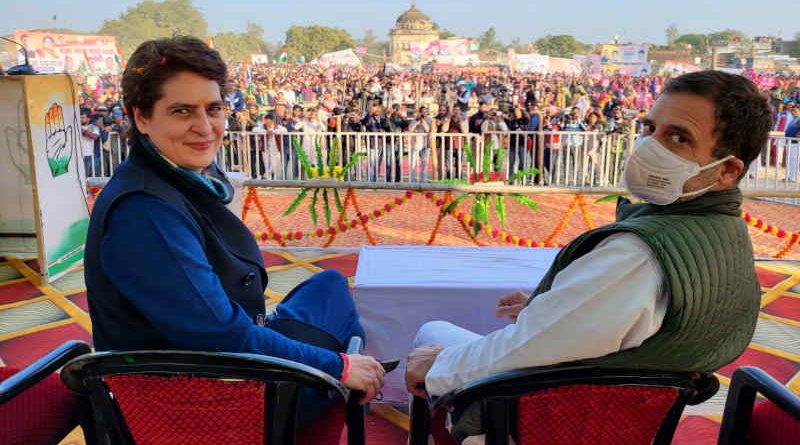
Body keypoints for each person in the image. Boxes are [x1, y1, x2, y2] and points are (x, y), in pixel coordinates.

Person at [406, 70, 771, 443]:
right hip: (629, 422)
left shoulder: (638, 255)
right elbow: (628, 320)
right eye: (651, 130)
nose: (651, 148)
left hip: (545, 419)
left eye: (679, 138)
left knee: (430, 336)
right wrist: (549, 304)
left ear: (727, 170)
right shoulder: (727, 233)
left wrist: (439, 367)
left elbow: (530, 346)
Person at [84, 37, 386, 429]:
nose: (205, 127)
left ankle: (347, 395)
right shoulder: (145, 212)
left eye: (213, 109)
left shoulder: (168, 181)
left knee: (329, 286)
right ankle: (345, 406)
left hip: (217, 369)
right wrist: (339, 366)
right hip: (206, 408)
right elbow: (226, 336)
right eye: (181, 111)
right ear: (141, 117)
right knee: (349, 349)